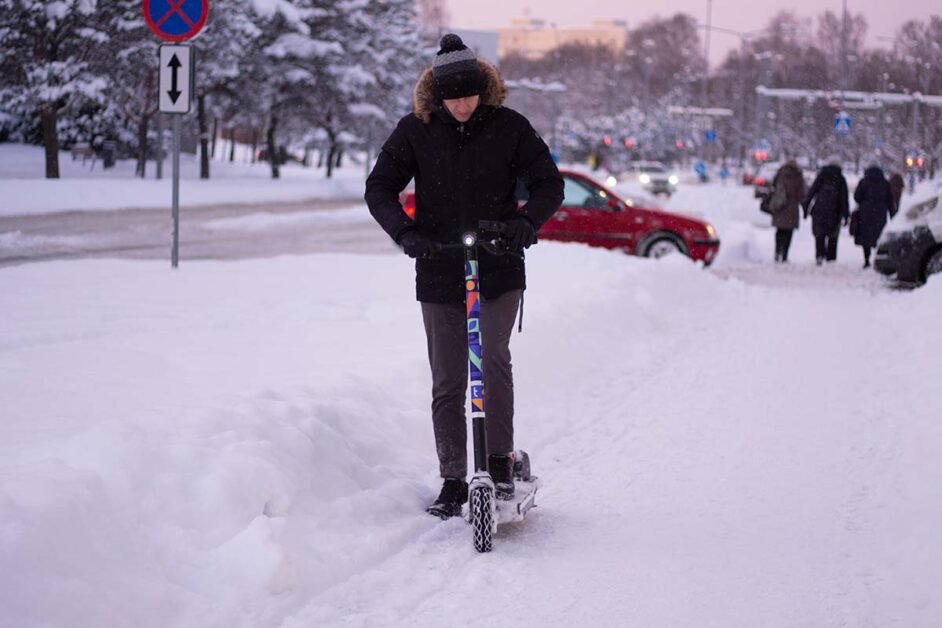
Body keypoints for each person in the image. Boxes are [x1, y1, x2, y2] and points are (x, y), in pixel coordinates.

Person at [364, 34, 564, 518]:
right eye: (452, 97)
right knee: (449, 377)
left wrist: (523, 224)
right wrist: (406, 233)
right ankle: (453, 477)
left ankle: (497, 462)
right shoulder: (416, 129)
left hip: (498, 264)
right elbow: (379, 189)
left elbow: (549, 184)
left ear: (483, 88)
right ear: (436, 94)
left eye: (469, 95)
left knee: (492, 358)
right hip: (438, 264)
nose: (462, 105)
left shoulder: (509, 127)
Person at [802, 157, 849, 265]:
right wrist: (846, 215)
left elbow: (812, 192)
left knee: (820, 235)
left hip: (820, 210)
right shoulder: (841, 179)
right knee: (833, 236)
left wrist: (806, 208)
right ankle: (831, 259)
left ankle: (819, 255)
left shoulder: (822, 176)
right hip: (835, 212)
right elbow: (844, 199)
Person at [853, 165, 896, 268]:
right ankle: (878, 259)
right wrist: (893, 215)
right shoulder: (885, 183)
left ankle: (867, 259)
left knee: (866, 238)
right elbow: (890, 200)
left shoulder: (863, 182)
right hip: (880, 214)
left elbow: (857, 197)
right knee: (878, 236)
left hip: (865, 214)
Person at [769, 158, 806, 263]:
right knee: (788, 233)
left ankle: (777, 252)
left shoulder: (780, 172)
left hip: (781, 206)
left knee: (779, 231)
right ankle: (784, 255)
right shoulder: (798, 175)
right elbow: (801, 193)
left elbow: (773, 186)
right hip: (792, 208)